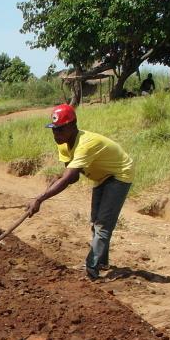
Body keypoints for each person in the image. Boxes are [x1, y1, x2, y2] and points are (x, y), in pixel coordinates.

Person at [26, 104, 134, 281]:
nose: (56, 135)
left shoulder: (85, 144)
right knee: (95, 221)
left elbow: (69, 178)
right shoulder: (64, 144)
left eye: (60, 130)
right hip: (100, 175)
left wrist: (40, 199)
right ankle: (102, 262)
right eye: (53, 130)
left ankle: (92, 269)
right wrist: (44, 194)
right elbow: (71, 176)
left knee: (103, 224)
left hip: (120, 173)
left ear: (72, 126)